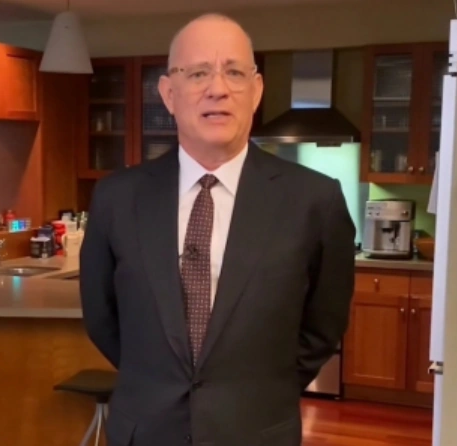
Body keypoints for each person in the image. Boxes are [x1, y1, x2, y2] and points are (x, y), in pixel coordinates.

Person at [79, 12, 356, 446]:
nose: (218, 89)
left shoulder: (315, 200)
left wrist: (259, 387)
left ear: (256, 90)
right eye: (198, 73)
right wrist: (156, 377)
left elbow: (324, 325)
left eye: (234, 72)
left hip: (257, 431)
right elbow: (101, 318)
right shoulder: (117, 198)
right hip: (146, 431)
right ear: (168, 94)